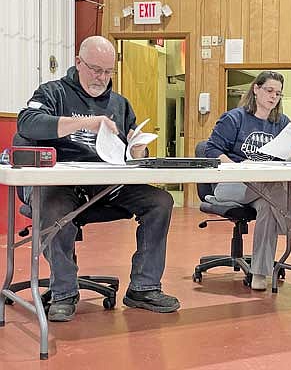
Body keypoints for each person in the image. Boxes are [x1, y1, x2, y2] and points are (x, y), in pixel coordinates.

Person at [17, 36, 180, 322]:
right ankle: (64, 292)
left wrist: (138, 149)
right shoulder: (53, 93)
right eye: (95, 69)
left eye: (108, 72)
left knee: (160, 201)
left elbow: (131, 151)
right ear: (78, 62)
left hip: (107, 184)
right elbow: (27, 122)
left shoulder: (119, 103)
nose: (102, 78)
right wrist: (84, 123)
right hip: (62, 184)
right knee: (53, 207)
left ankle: (144, 287)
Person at [205, 70, 291, 291]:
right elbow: (211, 149)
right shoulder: (234, 118)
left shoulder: (281, 123)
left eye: (278, 93)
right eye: (269, 90)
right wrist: (236, 168)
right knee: (272, 189)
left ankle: (259, 274)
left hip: (263, 190)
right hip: (230, 185)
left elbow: (286, 156)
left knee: (268, 207)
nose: (273, 97)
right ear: (256, 89)